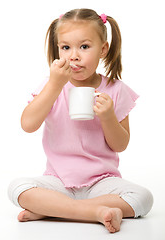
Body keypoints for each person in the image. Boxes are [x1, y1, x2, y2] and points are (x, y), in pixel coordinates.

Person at [8, 8, 153, 233]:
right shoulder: (52, 86)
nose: (73, 55)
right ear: (58, 49)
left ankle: (53, 210)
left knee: (143, 198)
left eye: (84, 47)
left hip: (102, 182)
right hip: (57, 180)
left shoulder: (116, 90)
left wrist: (107, 117)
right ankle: (94, 212)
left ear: (103, 49)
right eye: (66, 47)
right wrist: (55, 85)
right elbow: (28, 125)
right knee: (17, 188)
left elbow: (120, 145)